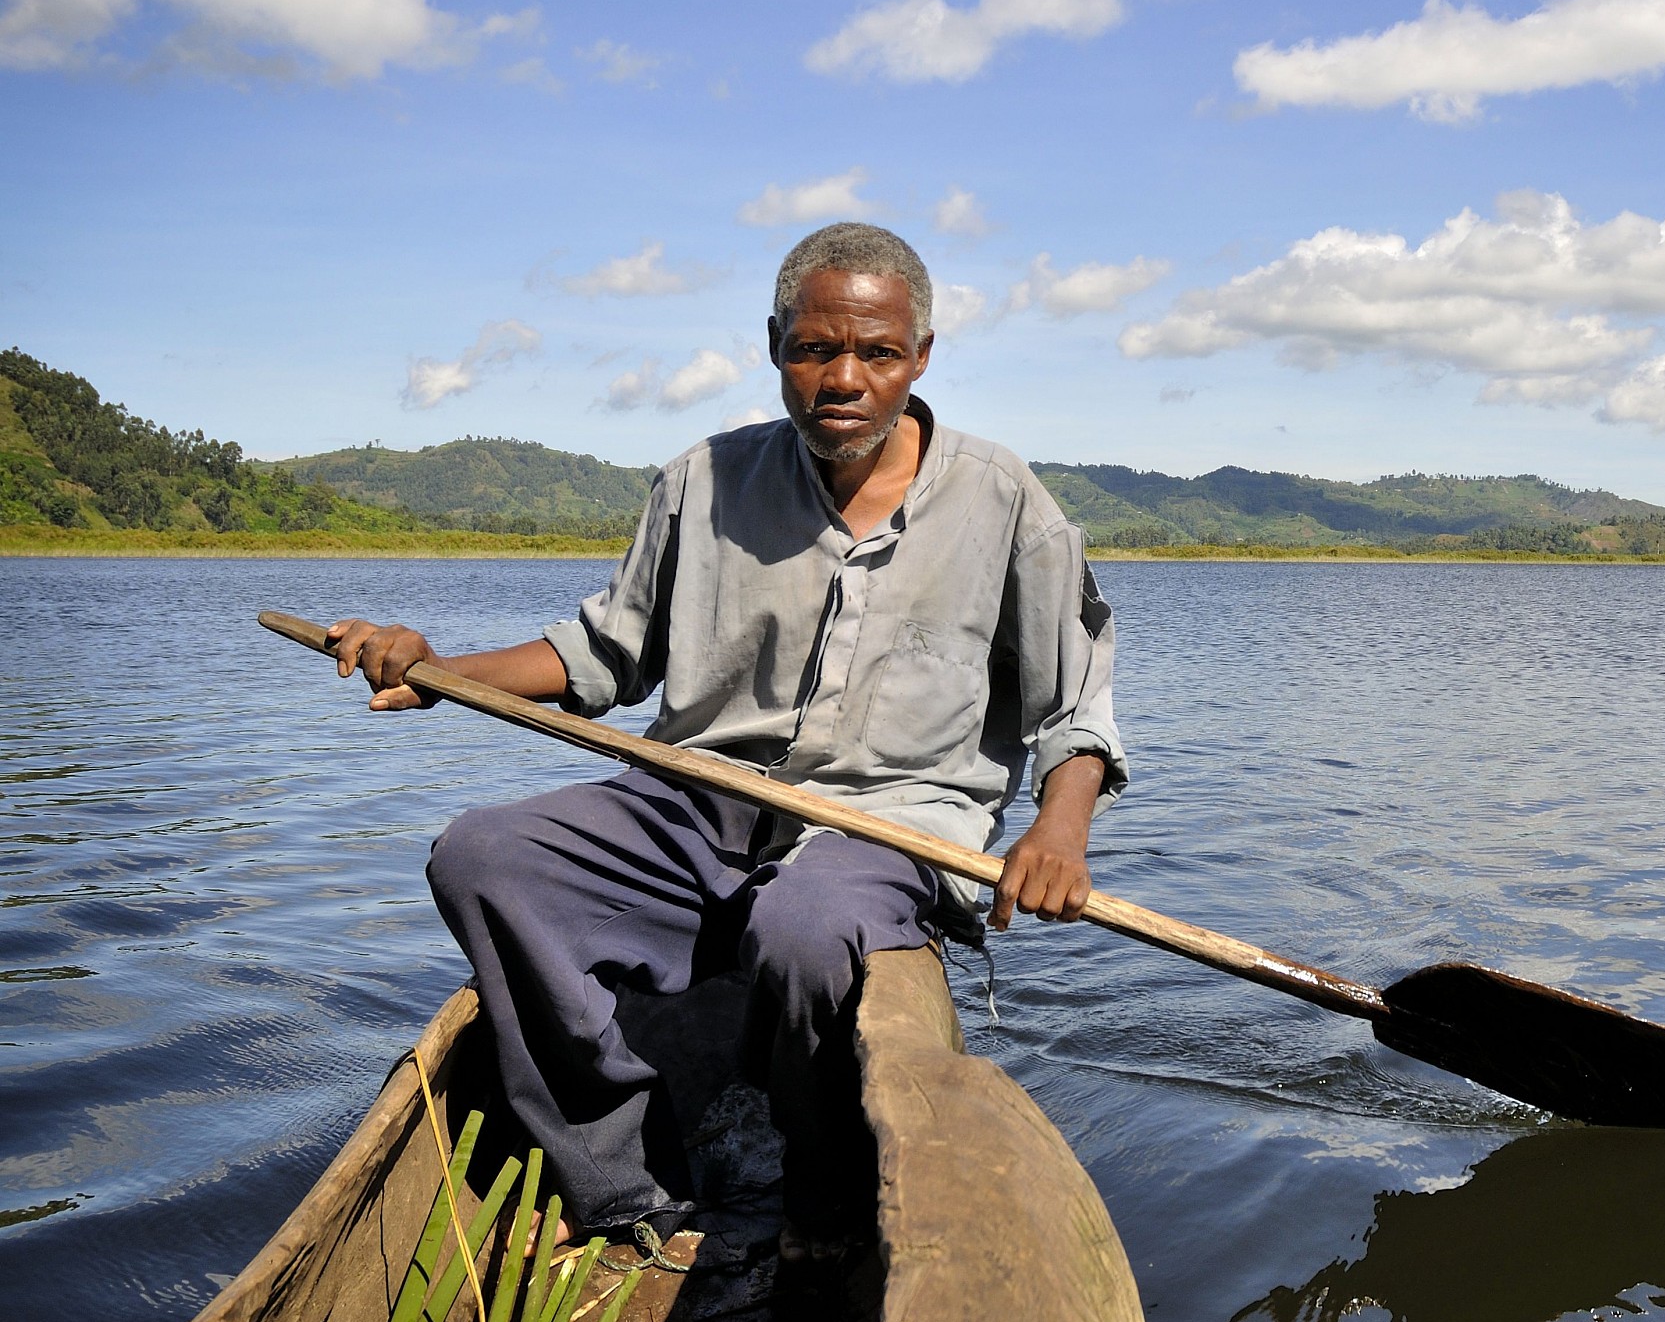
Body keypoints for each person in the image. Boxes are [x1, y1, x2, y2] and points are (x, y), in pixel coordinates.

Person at [325, 222, 1126, 1258]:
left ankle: (819, 1192)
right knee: (482, 856)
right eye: (813, 349)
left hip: (893, 823)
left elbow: (1075, 710)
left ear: (921, 358)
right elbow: (603, 654)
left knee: (802, 930)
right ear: (773, 345)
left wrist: (1059, 831)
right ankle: (621, 1174)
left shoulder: (1007, 501)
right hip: (696, 794)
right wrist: (438, 672)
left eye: (877, 354)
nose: (843, 378)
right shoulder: (702, 481)